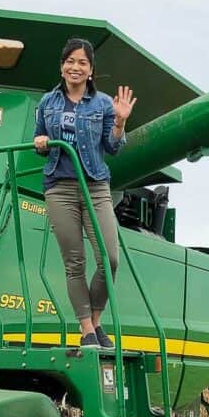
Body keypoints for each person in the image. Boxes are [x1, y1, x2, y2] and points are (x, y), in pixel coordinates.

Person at [34, 37, 136, 347]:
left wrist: (119, 121)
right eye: (70, 61)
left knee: (110, 259)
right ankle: (87, 331)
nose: (75, 67)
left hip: (95, 187)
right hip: (59, 188)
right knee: (74, 262)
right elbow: (39, 140)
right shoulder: (47, 103)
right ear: (62, 66)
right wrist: (40, 141)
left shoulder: (104, 103)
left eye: (82, 62)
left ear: (91, 70)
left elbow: (113, 147)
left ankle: (96, 320)